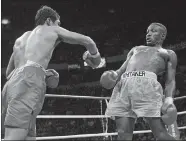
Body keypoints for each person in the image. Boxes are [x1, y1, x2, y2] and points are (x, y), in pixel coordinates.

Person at [2, 5, 101, 140]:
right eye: (58, 23)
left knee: (28, 135)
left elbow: (9, 73)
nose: (59, 26)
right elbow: (87, 40)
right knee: (14, 136)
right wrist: (95, 58)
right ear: (49, 21)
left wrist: (41, 72)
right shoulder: (51, 29)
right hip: (28, 82)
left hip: (10, 86)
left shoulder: (20, 39)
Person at [100, 23, 178, 140]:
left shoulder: (168, 53)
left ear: (162, 36)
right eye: (147, 32)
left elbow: (170, 80)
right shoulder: (135, 49)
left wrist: (168, 99)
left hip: (147, 86)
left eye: (153, 31)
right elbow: (121, 69)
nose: (148, 34)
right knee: (123, 134)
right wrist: (113, 75)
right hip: (124, 86)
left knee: (160, 133)